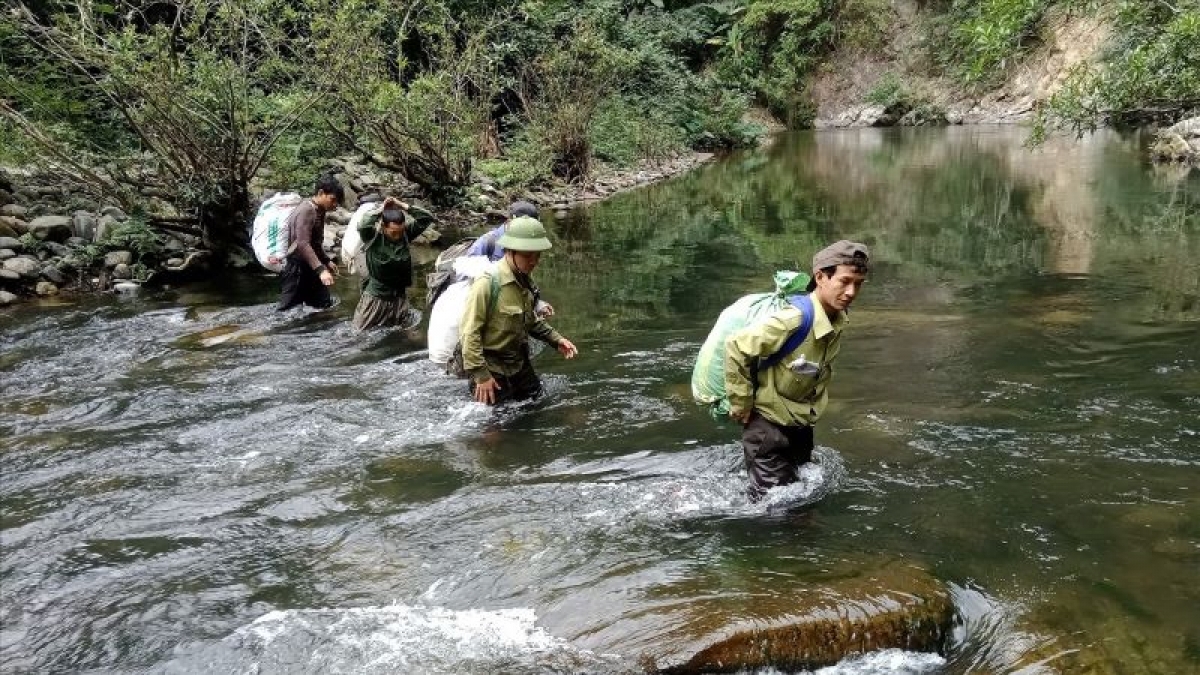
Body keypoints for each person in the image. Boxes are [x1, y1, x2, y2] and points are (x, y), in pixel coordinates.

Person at [724, 240, 871, 501]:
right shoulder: (793, 320)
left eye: (858, 284)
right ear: (820, 277)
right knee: (782, 514)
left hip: (800, 424)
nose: (851, 291)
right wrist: (741, 403)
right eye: (844, 281)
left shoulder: (837, 318)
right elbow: (736, 346)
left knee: (799, 494)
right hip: (768, 429)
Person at [458, 216, 578, 405]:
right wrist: (481, 376)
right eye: (528, 256)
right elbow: (469, 333)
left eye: (537, 255)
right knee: (494, 430)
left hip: (519, 365)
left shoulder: (525, 281)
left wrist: (556, 340)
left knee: (540, 408)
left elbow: (530, 320)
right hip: (492, 370)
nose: (534, 262)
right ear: (509, 252)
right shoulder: (487, 283)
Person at [352, 196, 436, 331]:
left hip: (399, 298)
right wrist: (381, 210)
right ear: (384, 227)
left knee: (403, 334)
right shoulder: (372, 237)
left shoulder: (406, 234)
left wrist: (402, 205)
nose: (397, 236)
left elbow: (427, 218)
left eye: (400, 231)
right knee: (359, 335)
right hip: (375, 298)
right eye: (393, 232)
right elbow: (363, 224)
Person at [467, 200, 554, 317]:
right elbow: (470, 288)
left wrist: (537, 304)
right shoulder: (486, 244)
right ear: (509, 222)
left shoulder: (529, 244)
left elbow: (524, 284)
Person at [277, 175, 343, 311]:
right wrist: (321, 270)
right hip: (297, 268)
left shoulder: (320, 210)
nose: (335, 204)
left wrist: (326, 260)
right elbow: (302, 243)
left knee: (323, 305)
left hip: (310, 267)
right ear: (320, 193)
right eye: (333, 199)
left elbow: (316, 242)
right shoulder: (307, 210)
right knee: (286, 311)